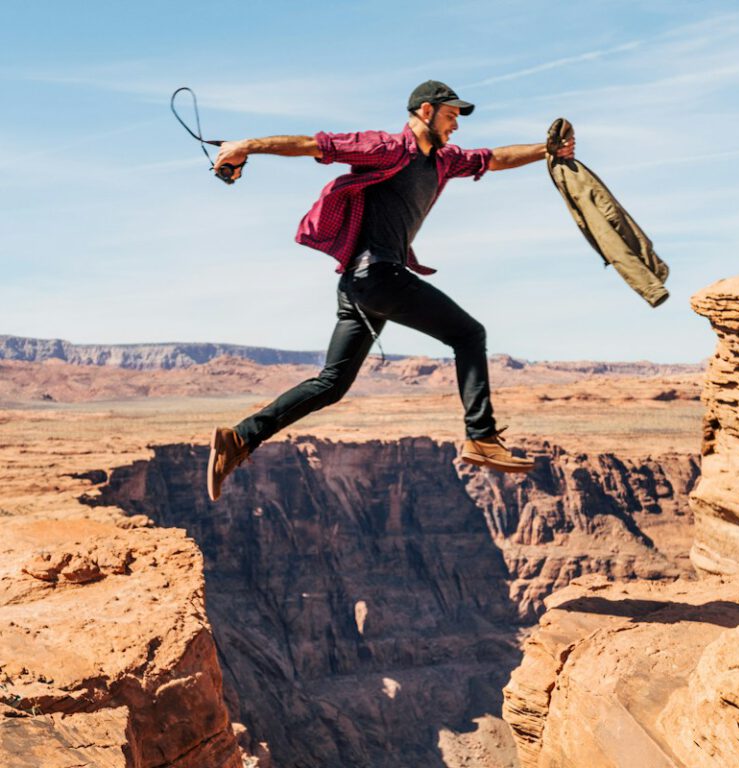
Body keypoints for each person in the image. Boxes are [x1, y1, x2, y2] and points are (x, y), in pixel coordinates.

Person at [206, 80, 575, 502]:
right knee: (468, 335)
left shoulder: (443, 161)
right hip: (376, 276)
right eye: (451, 115)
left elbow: (493, 158)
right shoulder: (387, 148)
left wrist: (547, 151)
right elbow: (314, 145)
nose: (455, 126)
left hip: (360, 286)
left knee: (331, 384)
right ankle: (481, 436)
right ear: (425, 112)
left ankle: (239, 439)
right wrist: (245, 146)